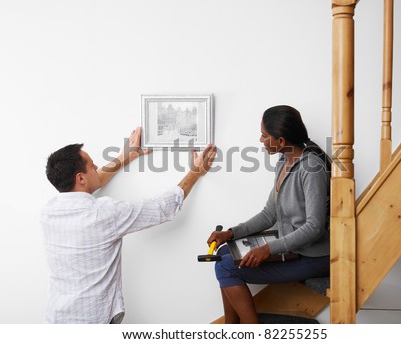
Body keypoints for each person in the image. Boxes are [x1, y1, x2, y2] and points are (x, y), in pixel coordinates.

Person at [41, 127, 216, 323]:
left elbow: (84, 190)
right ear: (80, 178)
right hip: (92, 321)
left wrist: (125, 157)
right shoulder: (104, 214)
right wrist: (195, 173)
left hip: (55, 318)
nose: (96, 166)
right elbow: (161, 208)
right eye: (91, 165)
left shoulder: (48, 212)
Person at [207, 105, 330, 324]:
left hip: (315, 257)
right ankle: (231, 328)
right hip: (295, 251)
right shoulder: (283, 162)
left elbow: (314, 226)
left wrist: (267, 249)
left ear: (281, 141)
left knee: (226, 266)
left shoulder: (312, 168)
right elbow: (268, 213)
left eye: (264, 135)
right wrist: (231, 233)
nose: (260, 139)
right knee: (225, 252)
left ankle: (244, 330)